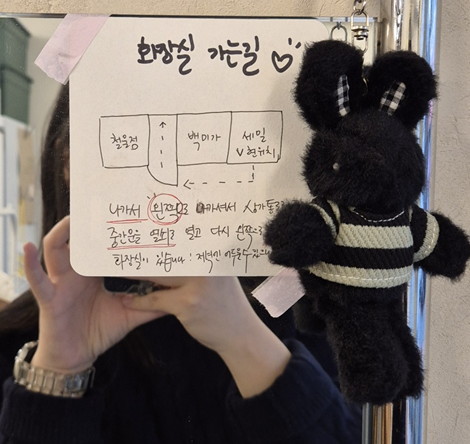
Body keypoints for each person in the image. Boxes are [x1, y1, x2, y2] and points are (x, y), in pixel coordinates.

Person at [0, 85, 362, 444]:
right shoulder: (38, 333)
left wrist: (243, 339)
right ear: (68, 162)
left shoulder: (317, 314)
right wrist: (59, 367)